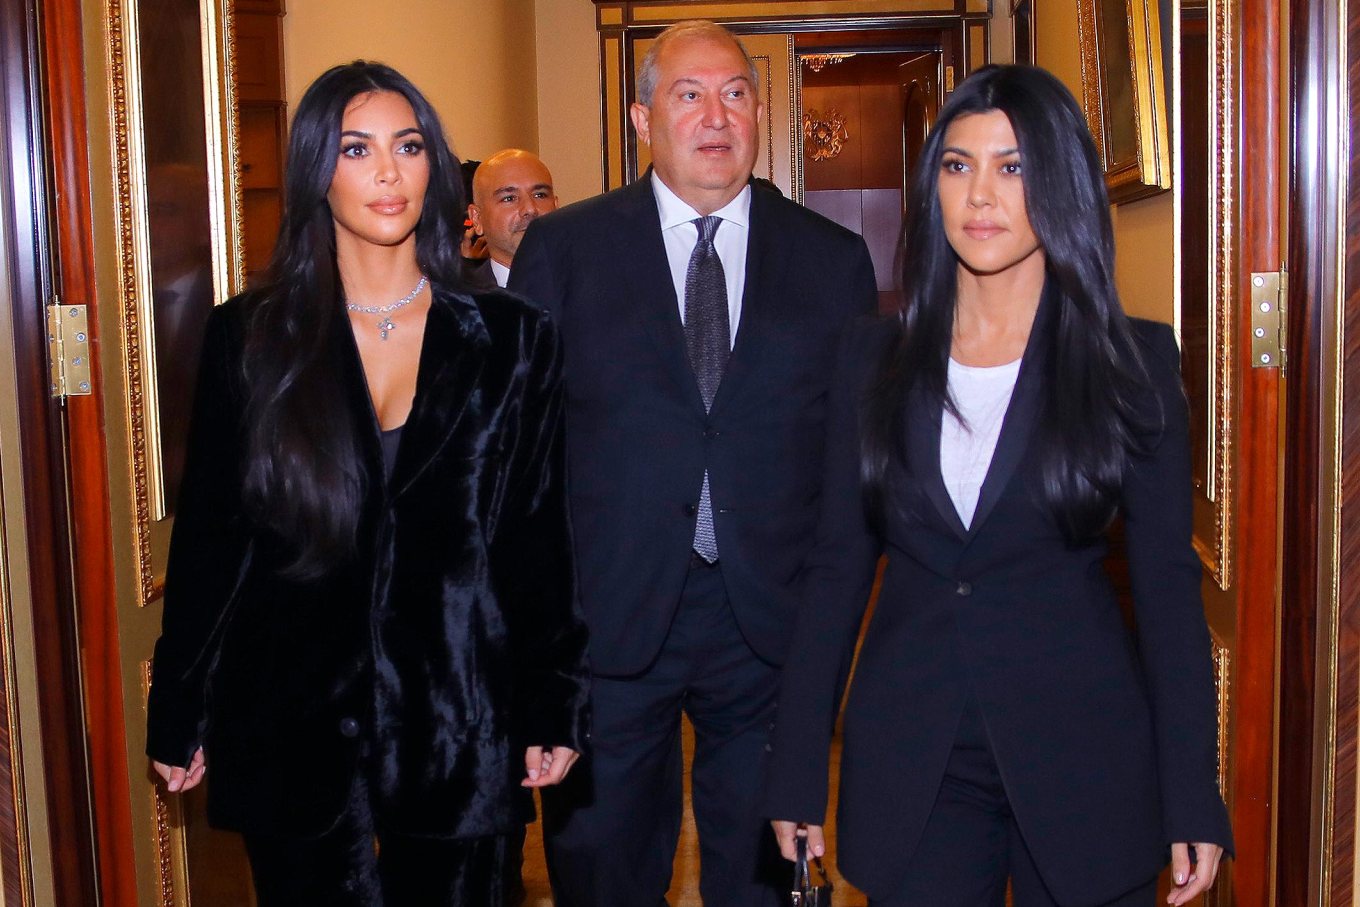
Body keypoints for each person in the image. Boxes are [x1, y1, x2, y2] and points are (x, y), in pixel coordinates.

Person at [764, 64, 1233, 907]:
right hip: (916, 758)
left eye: (1012, 167)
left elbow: (1167, 588)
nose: (980, 194)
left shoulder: (1133, 360)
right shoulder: (873, 360)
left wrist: (1193, 790)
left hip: (1083, 751)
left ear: (1059, 182)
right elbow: (836, 567)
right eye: (956, 164)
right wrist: (797, 765)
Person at [145, 60, 589, 906]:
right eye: (357, 148)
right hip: (290, 723)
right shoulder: (253, 336)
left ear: (434, 166)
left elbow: (537, 536)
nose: (389, 171)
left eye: (409, 145)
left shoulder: (511, 339)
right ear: (318, 170)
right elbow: (213, 538)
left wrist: (552, 699)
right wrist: (180, 702)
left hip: (458, 717)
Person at [509, 19, 877, 907]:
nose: (716, 116)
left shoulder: (833, 262)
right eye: (688, 94)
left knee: (761, 880)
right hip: (606, 624)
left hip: (766, 631)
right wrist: (533, 655)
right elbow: (519, 470)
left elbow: (851, 477)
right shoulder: (564, 253)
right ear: (641, 118)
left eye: (736, 93)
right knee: (604, 876)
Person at [466, 148, 559, 289]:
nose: (530, 209)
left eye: (540, 195)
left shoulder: (594, 288)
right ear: (477, 218)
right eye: (509, 198)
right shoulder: (454, 304)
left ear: (556, 205)